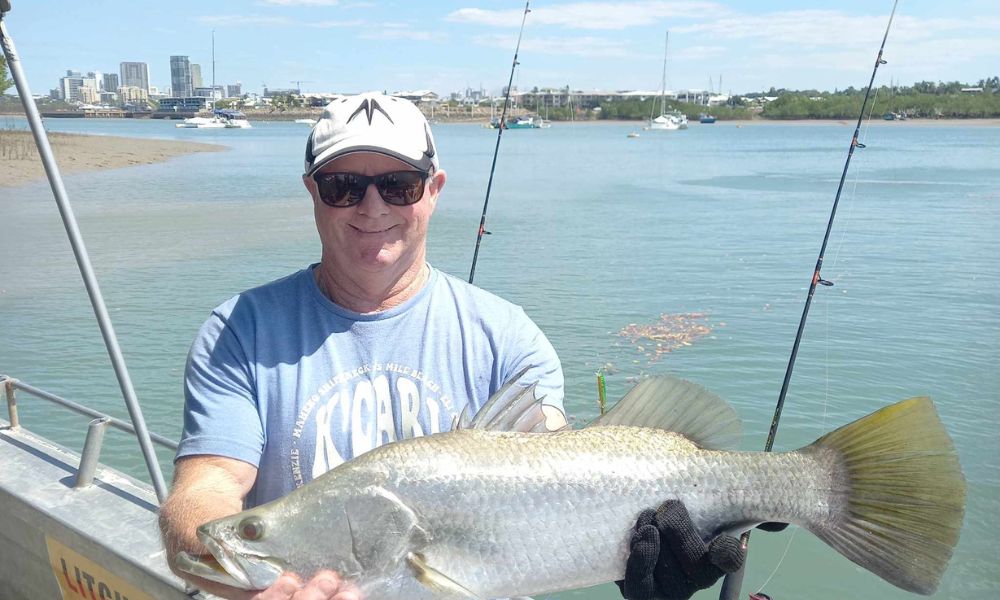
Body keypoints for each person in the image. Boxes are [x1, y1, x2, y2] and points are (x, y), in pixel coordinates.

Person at [158, 91, 776, 600]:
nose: (372, 206)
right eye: (343, 185)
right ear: (312, 192)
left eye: (399, 184)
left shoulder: (507, 336)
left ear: (434, 189)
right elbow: (206, 485)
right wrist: (225, 559)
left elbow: (561, 472)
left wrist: (651, 557)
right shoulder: (241, 329)